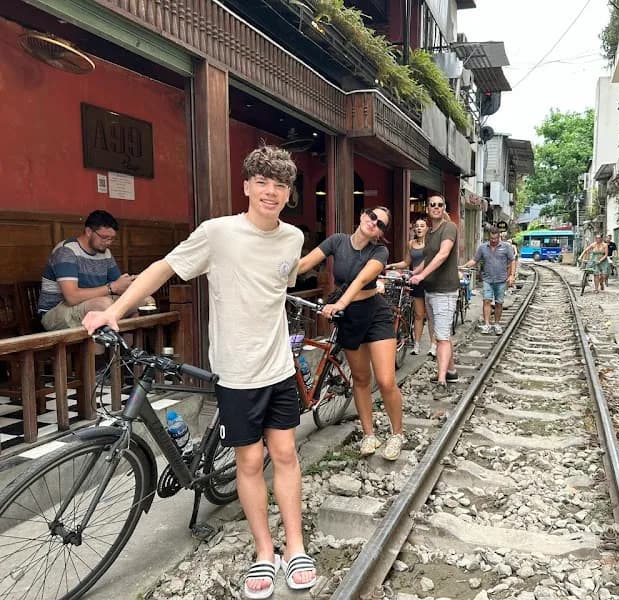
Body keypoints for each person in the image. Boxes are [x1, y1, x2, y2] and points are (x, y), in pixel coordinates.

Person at [83, 145, 316, 599]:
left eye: (280, 185)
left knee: (285, 455)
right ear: (246, 186)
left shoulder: (292, 239)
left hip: (278, 367)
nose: (270, 192)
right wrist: (115, 311)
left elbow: (277, 289)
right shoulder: (218, 233)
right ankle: (264, 552)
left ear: (289, 194)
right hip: (235, 371)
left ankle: (296, 547)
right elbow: (163, 268)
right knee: (249, 461)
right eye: (262, 182)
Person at [298, 207, 404, 461]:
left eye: (381, 224)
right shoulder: (337, 241)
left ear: (380, 233)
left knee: (386, 379)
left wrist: (339, 304)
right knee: (360, 378)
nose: (374, 223)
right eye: (372, 216)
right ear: (361, 215)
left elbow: (359, 281)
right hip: (350, 318)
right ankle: (369, 434)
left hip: (375, 314)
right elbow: (302, 265)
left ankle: (397, 433)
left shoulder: (379, 251)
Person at [38, 210, 144, 331]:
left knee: (144, 302)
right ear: (88, 231)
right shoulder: (66, 251)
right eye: (104, 237)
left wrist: (130, 283)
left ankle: (127, 349)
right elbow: (72, 297)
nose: (108, 242)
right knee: (103, 305)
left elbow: (119, 286)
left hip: (91, 303)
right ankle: (99, 350)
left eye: (112, 239)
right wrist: (112, 288)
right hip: (55, 313)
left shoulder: (105, 253)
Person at [410, 196, 459, 397]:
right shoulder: (430, 232)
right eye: (433, 205)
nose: (436, 208)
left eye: (440, 205)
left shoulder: (449, 228)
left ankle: (441, 381)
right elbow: (428, 258)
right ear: (428, 209)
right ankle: (451, 370)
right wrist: (413, 273)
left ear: (444, 208)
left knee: (441, 337)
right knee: (439, 333)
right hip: (430, 290)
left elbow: (443, 254)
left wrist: (422, 275)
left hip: (445, 290)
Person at [386, 218, 435, 356]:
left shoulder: (431, 243)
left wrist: (415, 272)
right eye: (417, 226)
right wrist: (392, 265)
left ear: (427, 228)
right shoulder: (411, 244)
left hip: (430, 280)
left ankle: (433, 345)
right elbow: (407, 262)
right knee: (418, 315)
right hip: (416, 281)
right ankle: (417, 345)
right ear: (414, 229)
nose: (419, 228)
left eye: (422, 226)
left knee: (430, 315)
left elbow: (428, 262)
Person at [461, 227, 515, 335]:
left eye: (495, 238)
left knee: (499, 303)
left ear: (499, 237)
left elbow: (512, 260)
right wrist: (464, 266)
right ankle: (487, 324)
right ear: (488, 237)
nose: (493, 240)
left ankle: (497, 324)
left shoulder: (506, 247)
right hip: (487, 279)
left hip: (501, 279)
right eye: (491, 238)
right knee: (486, 301)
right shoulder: (482, 248)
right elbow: (475, 260)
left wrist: (512, 275)